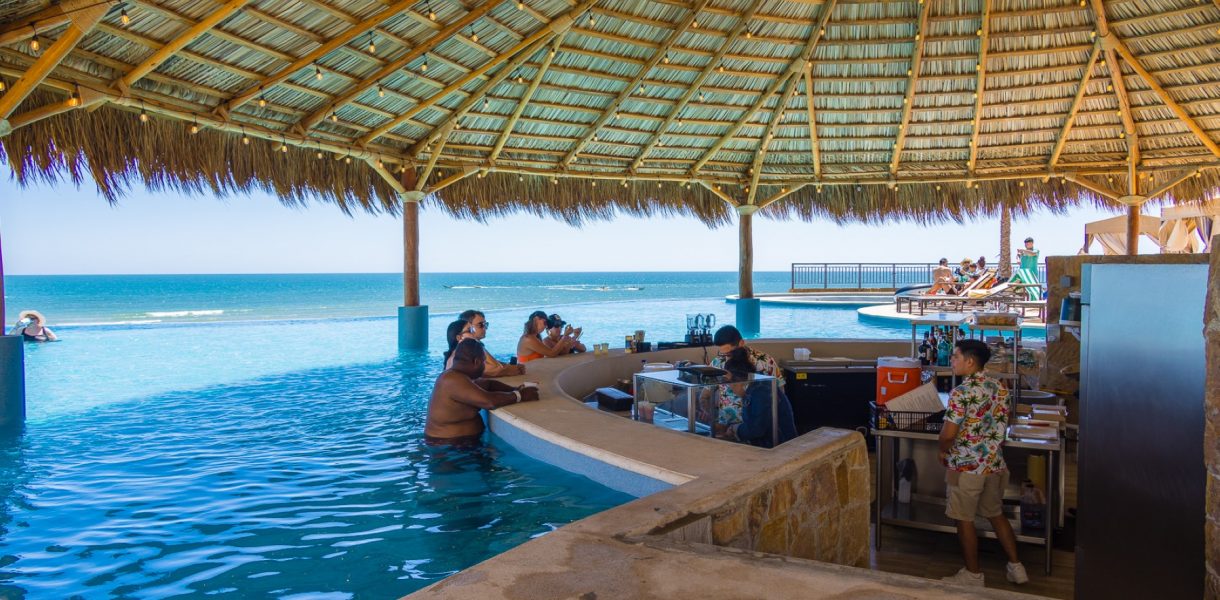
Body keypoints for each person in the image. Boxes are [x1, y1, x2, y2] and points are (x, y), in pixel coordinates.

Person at [939, 339, 1028, 587]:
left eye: (955, 356)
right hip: (994, 464)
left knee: (964, 519)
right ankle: (1016, 567)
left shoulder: (961, 392)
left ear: (969, 361)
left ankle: (973, 574)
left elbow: (948, 434)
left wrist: (942, 450)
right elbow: (1004, 423)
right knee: (996, 514)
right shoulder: (999, 386)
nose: (952, 360)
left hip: (966, 467)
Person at [424, 339, 539, 447]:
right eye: (484, 362)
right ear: (476, 362)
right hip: (449, 448)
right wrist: (520, 395)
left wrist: (515, 389)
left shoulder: (461, 377)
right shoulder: (452, 380)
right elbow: (489, 402)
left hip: (463, 444)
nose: (484, 366)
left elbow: (489, 384)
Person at [716, 347, 797, 448]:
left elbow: (757, 429)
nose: (730, 388)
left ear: (739, 382)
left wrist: (735, 430)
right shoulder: (755, 385)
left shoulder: (761, 391)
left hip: (780, 447)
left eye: (730, 383)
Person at [707, 325, 783, 427]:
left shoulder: (765, 361)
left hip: (756, 425)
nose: (727, 357)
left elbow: (779, 394)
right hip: (725, 426)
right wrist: (709, 415)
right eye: (723, 354)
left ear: (741, 343)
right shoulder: (718, 362)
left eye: (730, 353)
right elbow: (705, 394)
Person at [454, 310, 525, 376]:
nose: (485, 328)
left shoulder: (472, 346)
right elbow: (495, 368)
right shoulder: (464, 349)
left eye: (485, 324)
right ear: (469, 328)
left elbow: (492, 364)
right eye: (480, 325)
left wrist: (509, 367)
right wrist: (508, 370)